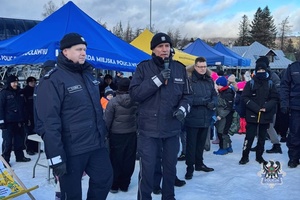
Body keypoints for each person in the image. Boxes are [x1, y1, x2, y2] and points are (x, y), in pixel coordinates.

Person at [34, 33, 113, 199]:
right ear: (65, 52)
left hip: (95, 144)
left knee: (104, 178)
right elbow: (49, 122)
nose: (83, 52)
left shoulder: (89, 76)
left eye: (84, 49)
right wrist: (56, 158)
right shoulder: (53, 80)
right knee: (72, 194)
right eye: (78, 49)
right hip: (71, 149)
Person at [129, 32, 192, 200]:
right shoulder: (143, 68)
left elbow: (187, 96)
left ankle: (168, 197)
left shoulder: (179, 68)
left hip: (171, 128)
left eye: (167, 46)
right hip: (148, 131)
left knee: (170, 169)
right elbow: (135, 94)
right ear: (153, 49)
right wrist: (157, 80)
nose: (164, 49)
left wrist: (183, 109)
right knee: (148, 170)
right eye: (160, 46)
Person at [239, 61, 279, 165]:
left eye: (263, 70)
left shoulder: (270, 83)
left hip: (265, 114)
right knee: (249, 136)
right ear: (256, 71)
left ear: (266, 71)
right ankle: (245, 156)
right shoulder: (250, 83)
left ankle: (259, 156)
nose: (261, 72)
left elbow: (275, 98)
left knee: (262, 137)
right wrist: (256, 108)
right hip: (252, 114)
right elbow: (244, 97)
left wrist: (266, 107)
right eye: (259, 70)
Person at [184, 57, 217, 180]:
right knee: (191, 145)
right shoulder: (189, 80)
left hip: (206, 117)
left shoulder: (209, 80)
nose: (203, 69)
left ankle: (199, 163)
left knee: (201, 144)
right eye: (200, 66)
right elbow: (187, 98)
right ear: (195, 67)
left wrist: (213, 103)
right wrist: (203, 102)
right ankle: (189, 168)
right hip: (193, 117)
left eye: (204, 66)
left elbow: (214, 95)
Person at [105, 77, 138, 193]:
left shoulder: (113, 102)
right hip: (131, 133)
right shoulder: (136, 100)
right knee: (129, 159)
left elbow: (107, 120)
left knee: (115, 159)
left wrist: (105, 134)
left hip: (116, 134)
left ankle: (114, 185)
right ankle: (125, 184)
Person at [0, 75, 31, 166]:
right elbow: (0, 108)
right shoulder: (3, 93)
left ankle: (20, 157)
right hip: (8, 122)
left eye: (16, 82)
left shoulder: (20, 92)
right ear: (9, 83)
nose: (15, 84)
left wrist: (25, 118)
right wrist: (1, 121)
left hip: (19, 121)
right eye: (13, 82)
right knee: (8, 142)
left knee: (19, 140)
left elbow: (24, 106)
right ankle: (5, 160)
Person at [280, 60, 300, 168]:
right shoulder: (293, 68)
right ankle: (294, 158)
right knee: (294, 133)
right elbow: (284, 87)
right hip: (296, 107)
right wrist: (284, 104)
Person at [213, 76, 235, 155]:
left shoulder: (227, 93)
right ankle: (228, 146)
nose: (217, 86)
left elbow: (228, 107)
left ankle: (223, 148)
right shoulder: (222, 92)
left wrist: (220, 116)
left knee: (221, 132)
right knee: (224, 132)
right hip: (221, 115)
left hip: (225, 117)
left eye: (218, 85)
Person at [22, 76, 39, 155]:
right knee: (29, 133)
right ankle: (29, 148)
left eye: (34, 82)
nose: (33, 83)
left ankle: (36, 147)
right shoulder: (25, 91)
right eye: (31, 82)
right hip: (28, 115)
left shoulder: (37, 90)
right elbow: (24, 105)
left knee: (36, 131)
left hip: (36, 114)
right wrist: (26, 116)